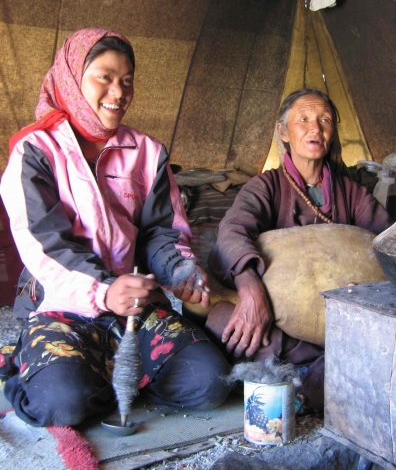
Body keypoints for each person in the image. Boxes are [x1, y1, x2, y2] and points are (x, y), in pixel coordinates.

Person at [0, 28, 231, 427]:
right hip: (61, 302)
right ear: (73, 78)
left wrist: (180, 268)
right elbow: (44, 243)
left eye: (127, 81)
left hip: (133, 306)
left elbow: (163, 231)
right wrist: (104, 291)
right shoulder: (37, 151)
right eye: (104, 77)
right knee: (61, 404)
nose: (118, 92)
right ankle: (38, 369)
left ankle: (100, 372)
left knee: (210, 382)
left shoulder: (147, 152)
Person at [206, 88, 392, 411]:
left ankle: (313, 374)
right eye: (303, 119)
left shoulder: (352, 193)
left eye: (324, 120)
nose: (315, 128)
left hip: (341, 321)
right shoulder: (266, 186)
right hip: (282, 324)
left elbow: (387, 241)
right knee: (223, 319)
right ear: (283, 132)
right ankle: (322, 371)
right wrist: (250, 289)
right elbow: (232, 231)